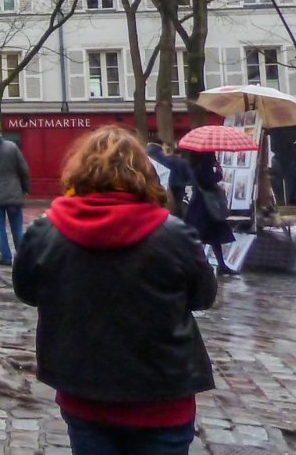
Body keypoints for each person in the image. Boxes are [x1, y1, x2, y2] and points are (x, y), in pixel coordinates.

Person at [14, 125, 216, 455]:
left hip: (84, 391)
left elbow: (26, 291)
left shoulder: (44, 231)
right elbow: (203, 296)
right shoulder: (174, 234)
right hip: (163, 392)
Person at [182, 148, 237, 277]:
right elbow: (208, 180)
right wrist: (219, 172)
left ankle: (211, 264)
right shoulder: (204, 164)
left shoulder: (193, 162)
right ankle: (213, 265)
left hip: (199, 203)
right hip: (206, 205)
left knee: (204, 235)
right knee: (209, 235)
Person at [0, 126, 30, 267]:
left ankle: (6, 257)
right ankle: (22, 256)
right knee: (17, 226)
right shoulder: (11, 147)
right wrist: (26, 188)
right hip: (13, 193)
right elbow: (23, 169)